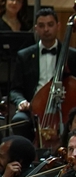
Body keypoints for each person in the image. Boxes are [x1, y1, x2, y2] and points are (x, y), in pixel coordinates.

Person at [9, 8, 76, 139]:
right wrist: (21, 101)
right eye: (41, 25)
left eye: (50, 25)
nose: (46, 29)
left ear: (58, 26)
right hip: (34, 108)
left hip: (63, 106)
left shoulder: (72, 55)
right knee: (19, 121)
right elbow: (15, 89)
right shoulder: (24, 56)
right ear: (36, 28)